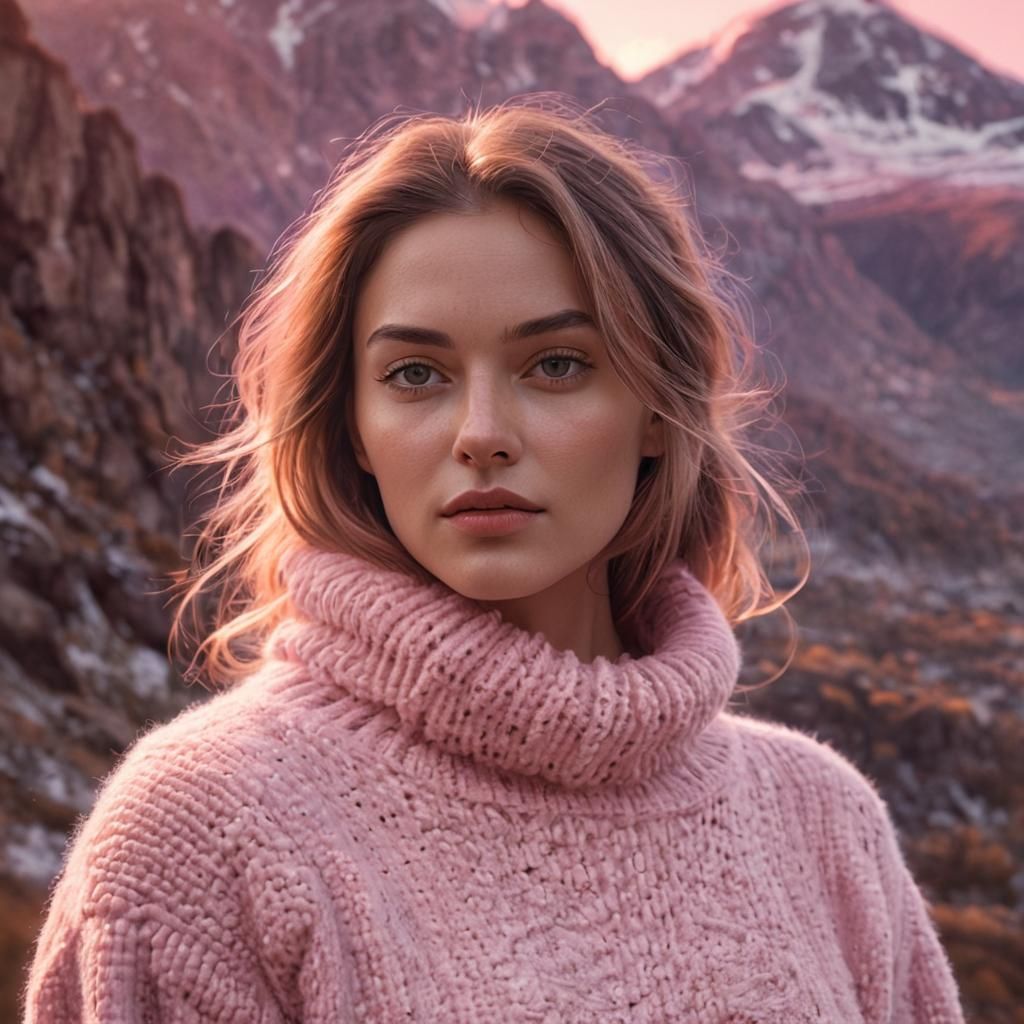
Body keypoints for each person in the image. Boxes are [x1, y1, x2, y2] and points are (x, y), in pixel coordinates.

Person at [21, 96, 965, 1022]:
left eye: (556, 364)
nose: (481, 434)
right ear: (350, 426)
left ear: (655, 409)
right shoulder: (199, 834)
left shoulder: (822, 824)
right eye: (415, 375)